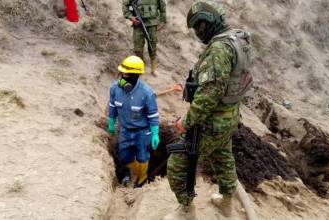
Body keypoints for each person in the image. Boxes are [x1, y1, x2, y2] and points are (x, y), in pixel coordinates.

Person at [164, 0, 253, 219]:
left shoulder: (219, 50)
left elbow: (209, 94)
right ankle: (226, 202)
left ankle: (186, 210)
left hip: (211, 122)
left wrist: (187, 121)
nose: (196, 33)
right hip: (230, 115)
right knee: (223, 158)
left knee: (177, 166)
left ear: (205, 24)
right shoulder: (237, 39)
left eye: (197, 27)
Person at [108, 55, 160, 187]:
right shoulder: (115, 88)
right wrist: (111, 122)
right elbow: (113, 106)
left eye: (126, 74)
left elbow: (153, 115)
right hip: (125, 131)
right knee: (125, 156)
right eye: (122, 72)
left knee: (143, 157)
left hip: (143, 132)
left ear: (135, 75)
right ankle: (133, 174)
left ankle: (142, 179)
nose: (122, 76)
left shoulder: (147, 93)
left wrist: (155, 133)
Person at [122, 0, 167, 75]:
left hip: (152, 24)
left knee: (152, 47)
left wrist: (162, 21)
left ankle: (153, 69)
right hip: (138, 24)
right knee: (138, 49)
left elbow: (163, 8)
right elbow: (125, 6)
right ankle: (140, 68)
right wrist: (131, 17)